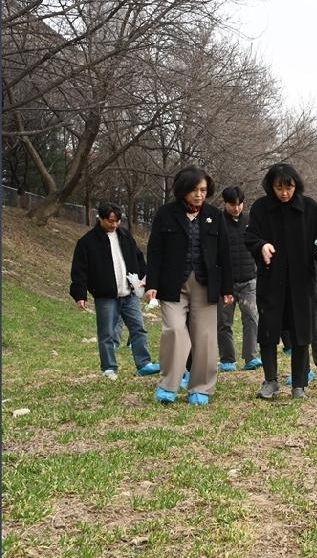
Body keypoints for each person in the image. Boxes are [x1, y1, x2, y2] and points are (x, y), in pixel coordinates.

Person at [245, 163, 317, 400]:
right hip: (271, 281)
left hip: (301, 282)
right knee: (268, 330)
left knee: (300, 332)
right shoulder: (261, 208)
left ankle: (299, 384)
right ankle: (270, 381)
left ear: (296, 185)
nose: (284, 193)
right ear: (270, 186)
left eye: (289, 187)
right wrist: (261, 245)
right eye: (279, 187)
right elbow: (251, 236)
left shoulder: (310, 208)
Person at [145, 167, 233, 405]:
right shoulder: (166, 214)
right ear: (182, 190)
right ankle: (168, 385)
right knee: (174, 330)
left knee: (205, 337)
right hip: (172, 283)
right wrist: (151, 284)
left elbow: (224, 254)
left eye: (203, 190)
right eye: (194, 190)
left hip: (205, 284)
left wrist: (227, 288)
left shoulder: (214, 215)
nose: (199, 195)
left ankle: (201, 388)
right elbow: (154, 252)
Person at [69, 202, 160, 380]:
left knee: (139, 329)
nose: (115, 224)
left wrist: (145, 279)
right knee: (107, 333)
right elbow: (79, 270)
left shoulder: (125, 236)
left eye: (118, 221)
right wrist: (80, 294)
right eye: (111, 221)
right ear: (100, 218)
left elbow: (139, 259)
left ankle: (144, 364)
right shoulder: (87, 242)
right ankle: (109, 368)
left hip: (129, 294)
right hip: (106, 296)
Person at [217, 186, 262, 372]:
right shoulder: (218, 221)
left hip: (248, 279)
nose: (236, 208)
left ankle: (251, 356)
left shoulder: (251, 221)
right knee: (223, 321)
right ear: (225, 203)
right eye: (232, 204)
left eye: (239, 204)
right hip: (225, 282)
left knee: (251, 317)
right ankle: (228, 359)